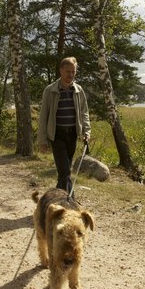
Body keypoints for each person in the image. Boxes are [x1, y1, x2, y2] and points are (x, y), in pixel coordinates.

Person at [37, 57, 91, 195]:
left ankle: (57, 197)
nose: (71, 75)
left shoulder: (78, 90)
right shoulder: (50, 90)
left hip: (72, 134)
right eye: (68, 71)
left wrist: (86, 131)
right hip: (57, 135)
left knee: (64, 172)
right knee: (65, 170)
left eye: (73, 72)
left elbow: (84, 113)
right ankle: (70, 201)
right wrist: (42, 140)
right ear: (61, 70)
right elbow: (43, 116)